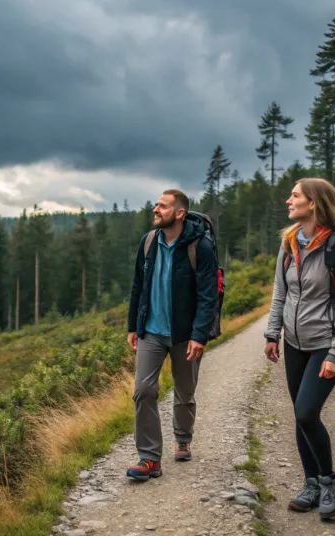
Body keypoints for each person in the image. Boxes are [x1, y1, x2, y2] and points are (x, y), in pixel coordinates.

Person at [263, 177, 335, 520]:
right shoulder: (289, 242)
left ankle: (329, 483)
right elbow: (281, 292)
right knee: (300, 414)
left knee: (307, 412)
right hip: (293, 342)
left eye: (295, 196)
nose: (288, 200)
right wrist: (271, 333)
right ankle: (310, 484)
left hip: (326, 342)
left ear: (314, 203)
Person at [125, 189, 217, 481]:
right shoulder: (149, 242)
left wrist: (199, 335)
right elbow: (137, 286)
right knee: (143, 391)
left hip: (185, 334)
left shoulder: (199, 246)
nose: (155, 210)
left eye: (162, 207)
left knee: (185, 391)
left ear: (179, 213)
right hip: (151, 331)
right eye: (156, 205)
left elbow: (207, 295)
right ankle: (150, 459)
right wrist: (132, 326)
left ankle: (183, 437)